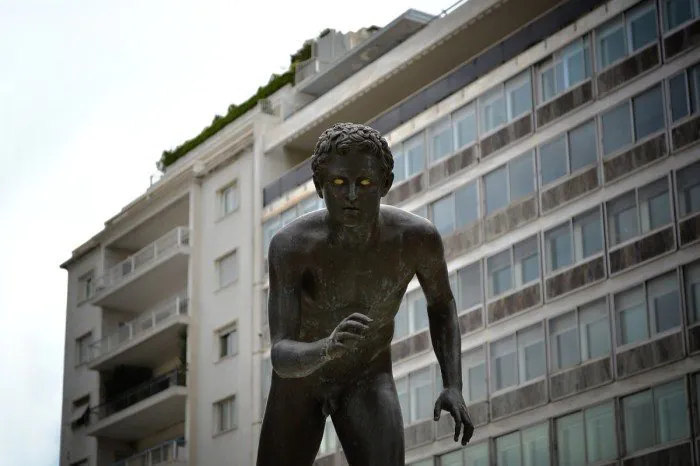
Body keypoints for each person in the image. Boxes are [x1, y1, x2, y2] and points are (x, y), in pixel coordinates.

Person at [257, 123, 473, 466]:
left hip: (367, 375)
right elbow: (281, 353)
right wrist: (326, 348)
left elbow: (442, 305)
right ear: (319, 186)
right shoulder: (292, 246)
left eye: (366, 183)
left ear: (385, 184)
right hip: (300, 383)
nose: (352, 196)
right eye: (339, 184)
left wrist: (453, 385)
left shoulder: (416, 239)